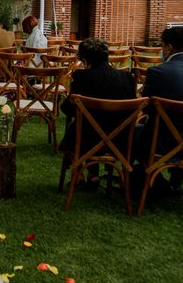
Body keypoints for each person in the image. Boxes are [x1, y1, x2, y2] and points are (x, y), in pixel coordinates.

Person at [59, 38, 137, 182]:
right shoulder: (126, 77)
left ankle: (80, 173)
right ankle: (92, 174)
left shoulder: (82, 76)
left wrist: (66, 104)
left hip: (87, 138)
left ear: (84, 59)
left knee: (79, 126)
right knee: (92, 124)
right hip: (121, 138)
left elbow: (70, 109)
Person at [138, 27, 183, 191]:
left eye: (162, 46)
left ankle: (147, 180)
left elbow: (147, 109)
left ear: (168, 47)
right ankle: (174, 184)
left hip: (161, 141)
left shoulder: (158, 72)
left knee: (133, 133)